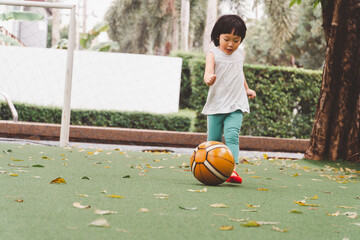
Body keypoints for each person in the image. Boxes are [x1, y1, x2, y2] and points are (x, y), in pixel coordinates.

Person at [202, 14, 256, 183]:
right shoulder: (213, 54)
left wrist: (247, 89)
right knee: (214, 140)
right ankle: (211, 169)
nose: (231, 44)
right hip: (217, 104)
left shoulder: (240, 54)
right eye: (227, 39)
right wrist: (208, 79)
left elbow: (239, 73)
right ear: (218, 36)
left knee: (232, 136)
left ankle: (232, 170)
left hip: (236, 103)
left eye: (236, 40)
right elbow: (207, 73)